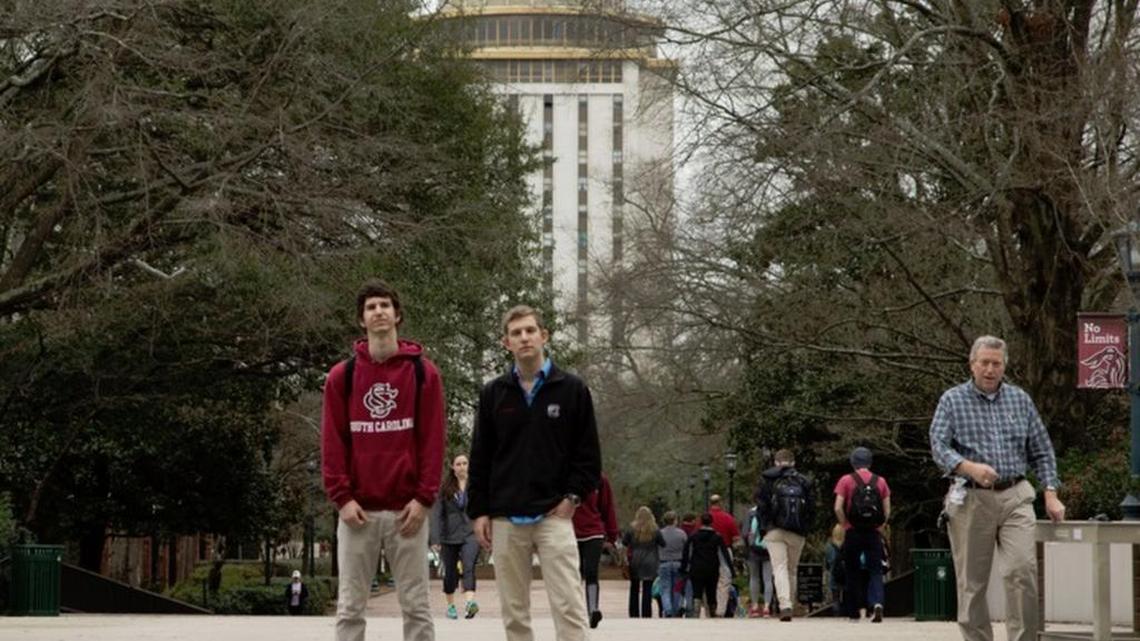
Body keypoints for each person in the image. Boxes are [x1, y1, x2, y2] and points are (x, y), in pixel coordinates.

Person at [468, 305, 601, 641]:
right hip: (506, 518)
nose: (524, 337)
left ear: (544, 335)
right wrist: (479, 511)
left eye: (530, 330)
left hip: (554, 514)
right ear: (506, 343)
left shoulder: (572, 390)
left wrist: (573, 498)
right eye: (516, 333)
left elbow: (588, 456)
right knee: (514, 613)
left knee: (570, 607)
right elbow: (480, 457)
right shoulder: (493, 394)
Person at [321, 280, 445, 641]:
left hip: (408, 512)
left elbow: (432, 441)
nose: (379, 312)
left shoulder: (424, 373)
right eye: (371, 307)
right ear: (362, 320)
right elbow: (332, 443)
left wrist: (424, 499)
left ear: (397, 314)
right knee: (350, 609)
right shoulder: (341, 378)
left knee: (417, 608)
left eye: (385, 306)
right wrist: (342, 498)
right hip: (357, 512)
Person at [930, 335, 1064, 641]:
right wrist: (967, 467)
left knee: (1022, 572)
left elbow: (1042, 450)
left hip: (1016, 494)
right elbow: (938, 446)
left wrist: (1051, 492)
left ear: (1004, 366)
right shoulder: (952, 400)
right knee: (972, 583)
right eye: (985, 363)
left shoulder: (1020, 399)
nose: (990, 369)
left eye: (997, 363)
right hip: (970, 498)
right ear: (972, 364)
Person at [755, 448, 814, 622]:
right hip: (797, 531)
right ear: (793, 462)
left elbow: (761, 506)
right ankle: (792, 603)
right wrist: (806, 526)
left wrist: (764, 527)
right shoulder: (804, 481)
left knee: (779, 567)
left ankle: (784, 605)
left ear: (776, 462)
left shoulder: (767, 479)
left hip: (774, 530)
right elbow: (811, 508)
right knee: (792, 569)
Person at [833, 446, 890, 622]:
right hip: (873, 531)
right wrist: (881, 525)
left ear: (853, 462)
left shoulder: (846, 480)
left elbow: (837, 507)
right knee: (875, 570)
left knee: (852, 570)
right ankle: (877, 603)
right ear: (870, 462)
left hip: (853, 531)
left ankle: (854, 611)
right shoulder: (880, 481)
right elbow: (887, 509)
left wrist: (845, 524)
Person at [430, 453, 480, 620]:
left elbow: (482, 509)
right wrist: (435, 538)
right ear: (452, 467)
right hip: (449, 536)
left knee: (468, 566)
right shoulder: (444, 488)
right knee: (450, 573)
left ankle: (469, 604)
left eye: (465, 463)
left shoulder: (475, 486)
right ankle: (451, 606)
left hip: (470, 534)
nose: (462, 467)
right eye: (458, 464)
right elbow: (437, 514)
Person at [572, 472, 620, 628]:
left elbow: (607, 508)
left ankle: (593, 610)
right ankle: (575, 612)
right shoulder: (564, 475)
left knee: (592, 572)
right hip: (569, 532)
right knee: (573, 574)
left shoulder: (600, 480)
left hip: (594, 533)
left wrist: (612, 535)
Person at [680, 512, 732, 618]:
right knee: (711, 591)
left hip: (696, 568)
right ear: (711, 522)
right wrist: (730, 569)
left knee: (697, 591)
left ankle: (696, 612)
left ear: (700, 522)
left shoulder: (693, 536)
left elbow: (687, 553)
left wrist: (684, 568)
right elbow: (723, 555)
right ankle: (712, 612)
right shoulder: (717, 537)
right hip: (712, 568)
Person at [622, 506, 664, 618]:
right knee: (647, 587)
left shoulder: (632, 529)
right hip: (650, 560)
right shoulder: (655, 529)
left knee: (634, 587)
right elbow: (663, 543)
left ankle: (634, 613)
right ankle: (646, 613)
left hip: (635, 560)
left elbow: (624, 542)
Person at [707, 494, 740, 617]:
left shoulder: (704, 518)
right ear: (720, 503)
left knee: (709, 580)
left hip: (707, 551)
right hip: (725, 550)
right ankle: (720, 609)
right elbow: (736, 537)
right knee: (724, 580)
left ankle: (710, 607)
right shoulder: (728, 518)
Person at [741, 505, 774, 617]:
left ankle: (755, 606)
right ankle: (766, 607)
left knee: (754, 578)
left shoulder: (750, 513)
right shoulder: (772, 512)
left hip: (753, 550)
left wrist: (747, 545)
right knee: (768, 579)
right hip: (768, 549)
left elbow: (745, 533)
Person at [657, 510, 688, 617]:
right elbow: (686, 548)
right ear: (675, 520)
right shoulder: (682, 533)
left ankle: (668, 610)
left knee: (665, 588)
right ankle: (676, 609)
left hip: (664, 562)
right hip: (678, 562)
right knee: (677, 588)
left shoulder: (660, 533)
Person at [823, 524, 845, 616]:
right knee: (847, 595)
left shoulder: (829, 546)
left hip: (834, 575)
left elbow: (827, 563)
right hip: (846, 575)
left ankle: (836, 613)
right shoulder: (847, 544)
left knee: (835, 597)